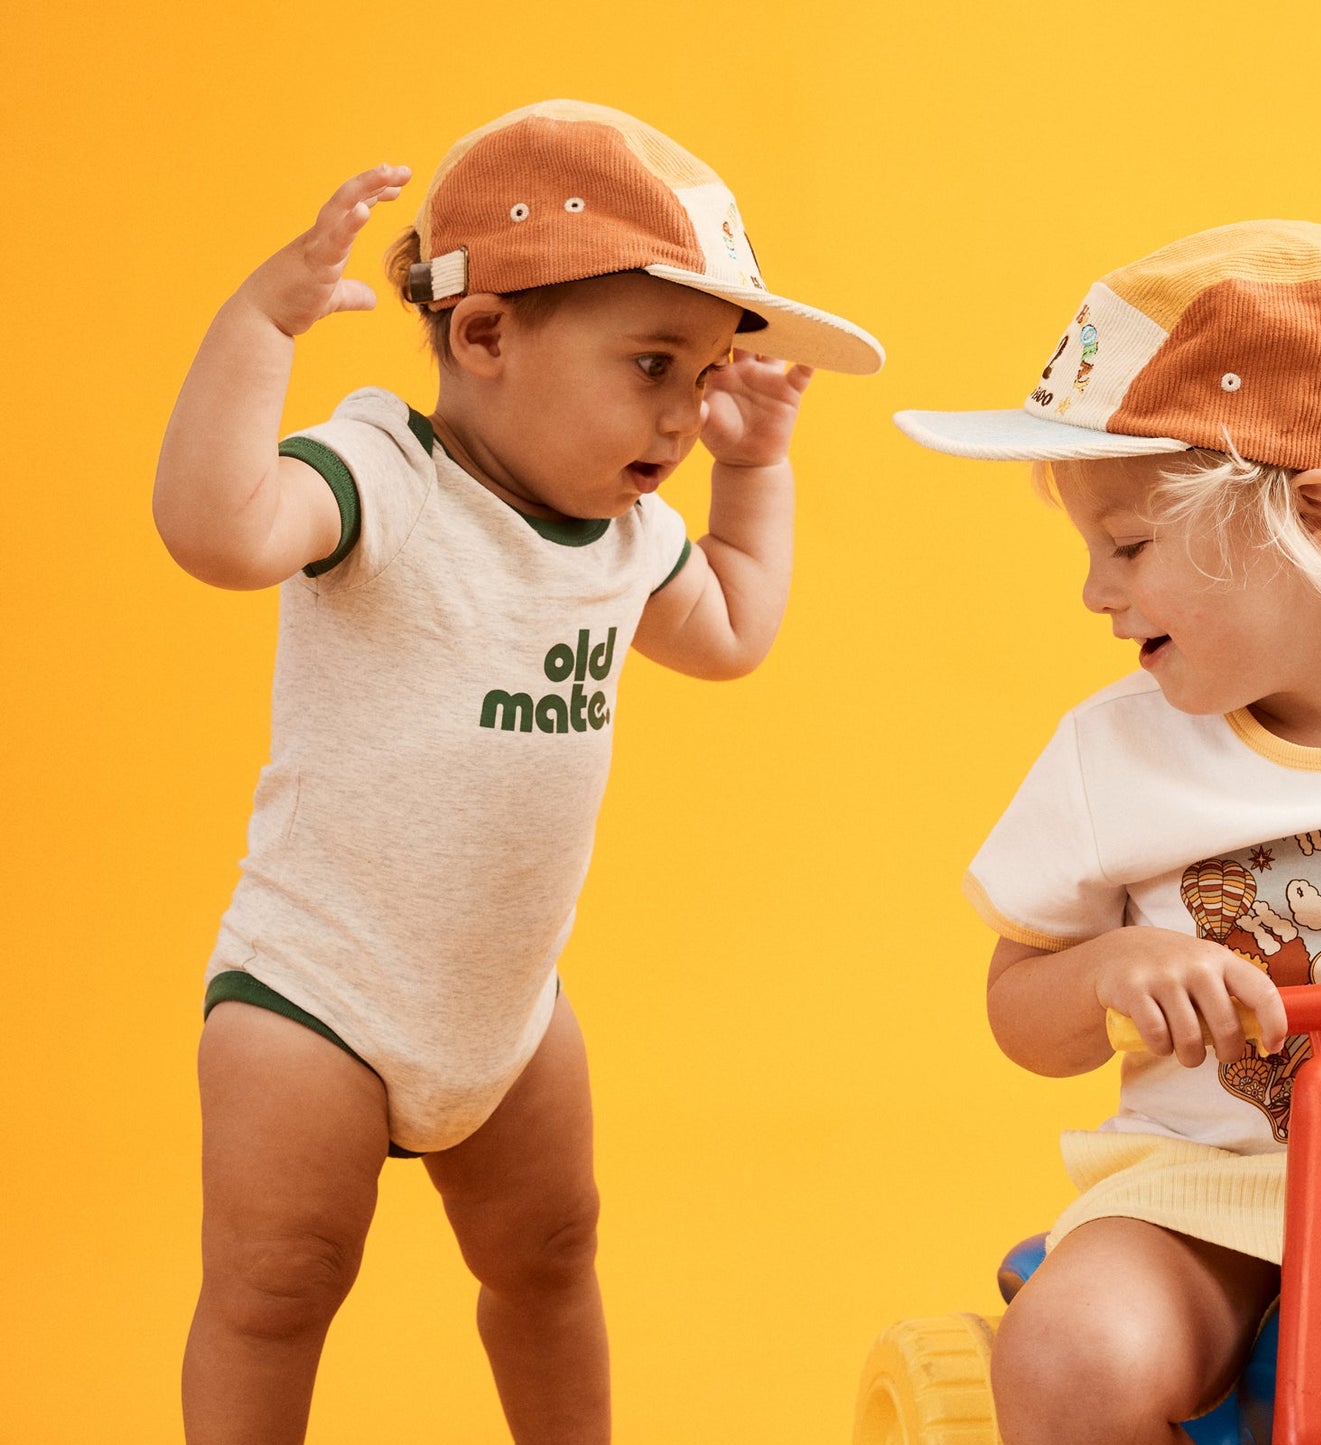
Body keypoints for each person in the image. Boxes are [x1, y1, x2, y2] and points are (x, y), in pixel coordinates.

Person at [153, 98, 882, 1445]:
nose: (684, 414)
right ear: (484, 335)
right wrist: (262, 327)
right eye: (654, 364)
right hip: (317, 994)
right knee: (276, 1284)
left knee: (552, 1257)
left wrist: (756, 471)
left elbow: (729, 632)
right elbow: (218, 530)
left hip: (506, 1008)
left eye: (711, 377)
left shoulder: (625, 533)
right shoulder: (385, 476)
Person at [895, 220, 1321, 1443]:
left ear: (1313, 515)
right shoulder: (1116, 752)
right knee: (1073, 1354)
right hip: (1218, 1194)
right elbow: (1018, 1016)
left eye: (1129, 544)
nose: (1095, 590)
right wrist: (1104, 970)